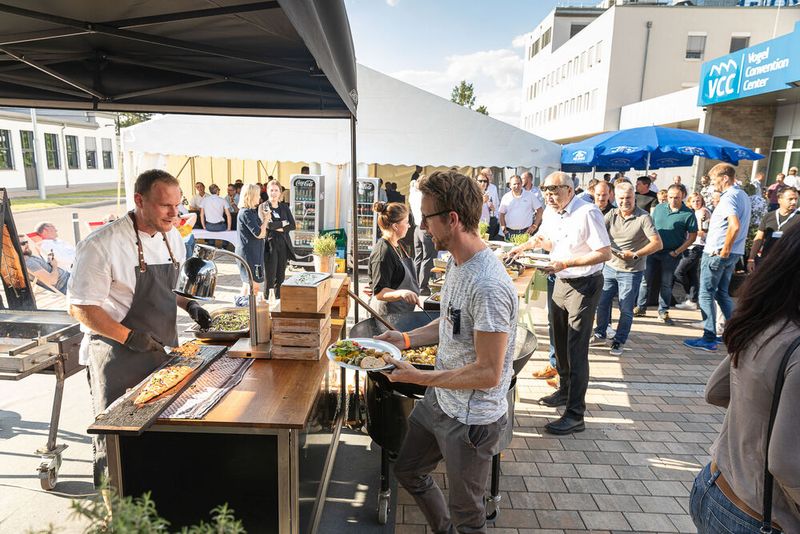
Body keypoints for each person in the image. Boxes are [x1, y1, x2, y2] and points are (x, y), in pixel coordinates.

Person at [375, 170, 517, 534]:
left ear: (452, 219)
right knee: (407, 469)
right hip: (441, 400)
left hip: (471, 420)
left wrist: (418, 377)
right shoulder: (457, 262)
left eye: (427, 217)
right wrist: (404, 340)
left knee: (469, 515)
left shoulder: (488, 284)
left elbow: (489, 372)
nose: (422, 226)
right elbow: (450, 324)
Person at [68, 169, 210, 487]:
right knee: (118, 439)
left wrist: (191, 305)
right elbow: (81, 308)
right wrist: (129, 336)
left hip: (161, 353)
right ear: (139, 201)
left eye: (178, 205)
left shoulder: (172, 235)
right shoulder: (101, 245)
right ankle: (115, 510)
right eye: (165, 206)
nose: (175, 214)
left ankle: (158, 498)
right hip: (115, 355)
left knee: (161, 432)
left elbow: (165, 289)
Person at [689, 224, 800, 534]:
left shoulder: (769, 321)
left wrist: (758, 421)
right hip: (758, 515)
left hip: (713, 485)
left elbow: (715, 391)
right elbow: (786, 464)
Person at [510, 171, 611, 434]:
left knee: (577, 351)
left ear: (570, 189)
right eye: (546, 190)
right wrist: (521, 248)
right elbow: (544, 240)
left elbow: (604, 253)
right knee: (560, 344)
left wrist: (565, 262)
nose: (549, 196)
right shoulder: (554, 212)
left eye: (554, 190)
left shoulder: (588, 212)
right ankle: (564, 391)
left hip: (583, 285)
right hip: (560, 282)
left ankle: (576, 415)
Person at [684, 163, 751, 352]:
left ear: (725, 178)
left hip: (717, 253)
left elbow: (734, 225)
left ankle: (708, 337)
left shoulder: (729, 197)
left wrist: (725, 249)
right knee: (722, 293)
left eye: (715, 180)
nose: (714, 185)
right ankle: (733, 333)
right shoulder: (743, 195)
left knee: (706, 294)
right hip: (731, 254)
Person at [593, 182, 662, 356]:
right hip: (609, 267)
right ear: (615, 198)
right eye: (621, 198)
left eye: (629, 198)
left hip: (631, 271)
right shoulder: (612, 214)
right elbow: (597, 231)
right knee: (601, 303)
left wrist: (636, 254)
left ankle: (619, 341)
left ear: (635, 197)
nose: (625, 202)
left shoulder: (644, 217)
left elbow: (657, 243)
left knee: (625, 308)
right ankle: (600, 333)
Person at [635, 185, 697, 325]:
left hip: (671, 253)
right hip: (653, 251)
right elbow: (650, 227)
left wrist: (677, 252)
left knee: (666, 283)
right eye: (670, 197)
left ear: (683, 197)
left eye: (677, 197)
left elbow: (692, 237)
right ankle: (641, 307)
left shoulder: (688, 214)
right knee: (645, 280)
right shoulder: (659, 208)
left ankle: (663, 311)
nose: (673, 200)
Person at [367, 202, 420, 314]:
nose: (409, 226)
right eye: (406, 222)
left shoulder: (399, 245)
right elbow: (380, 293)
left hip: (401, 312)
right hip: (386, 317)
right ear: (395, 226)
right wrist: (402, 293)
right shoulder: (383, 253)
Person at [748, 186, 799, 272]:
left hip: (789, 263)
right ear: (779, 200)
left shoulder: (798, 217)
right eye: (790, 199)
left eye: (796, 199)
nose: (794, 202)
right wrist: (751, 259)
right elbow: (759, 238)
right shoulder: (769, 216)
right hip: (767, 261)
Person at [675, 193, 711, 311]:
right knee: (692, 274)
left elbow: (703, 231)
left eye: (698, 200)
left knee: (679, 272)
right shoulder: (692, 212)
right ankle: (692, 300)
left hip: (696, 246)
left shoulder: (703, 212)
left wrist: (694, 231)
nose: (696, 203)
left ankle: (691, 296)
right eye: (694, 201)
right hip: (691, 246)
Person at [262, 179, 296, 299]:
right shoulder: (264, 206)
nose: (274, 193)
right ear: (267, 191)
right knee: (270, 276)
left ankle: (278, 300)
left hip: (283, 243)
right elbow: (269, 225)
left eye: (276, 190)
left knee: (281, 275)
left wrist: (279, 225)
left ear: (280, 192)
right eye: (271, 190)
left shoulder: (284, 207)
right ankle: (267, 301)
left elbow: (292, 225)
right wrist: (283, 223)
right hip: (270, 244)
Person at [235, 184, 270, 298]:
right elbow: (260, 234)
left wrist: (264, 220)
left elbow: (261, 233)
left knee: (251, 284)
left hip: (254, 252)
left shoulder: (251, 211)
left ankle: (244, 309)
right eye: (257, 194)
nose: (259, 196)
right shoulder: (246, 213)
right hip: (248, 254)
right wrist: (266, 219)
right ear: (251, 195)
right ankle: (246, 309)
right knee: (252, 285)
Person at [410, 176, 436, 295]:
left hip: (417, 228)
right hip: (425, 228)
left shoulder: (413, 194)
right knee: (428, 258)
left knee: (418, 257)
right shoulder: (423, 196)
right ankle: (422, 286)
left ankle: (415, 284)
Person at [499, 175, 542, 240]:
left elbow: (540, 210)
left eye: (519, 183)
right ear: (510, 185)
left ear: (522, 184)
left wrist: (535, 226)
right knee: (510, 250)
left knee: (525, 250)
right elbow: (501, 214)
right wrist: (503, 228)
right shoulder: (506, 197)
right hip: (509, 233)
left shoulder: (530, 195)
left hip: (526, 232)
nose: (517, 186)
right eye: (514, 184)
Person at [478, 173, 500, 240]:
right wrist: (482, 202)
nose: (483, 183)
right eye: (480, 181)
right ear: (475, 182)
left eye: (485, 181)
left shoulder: (486, 193)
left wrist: (491, 208)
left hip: (487, 225)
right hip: (477, 226)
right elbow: (470, 209)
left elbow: (491, 209)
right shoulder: (472, 194)